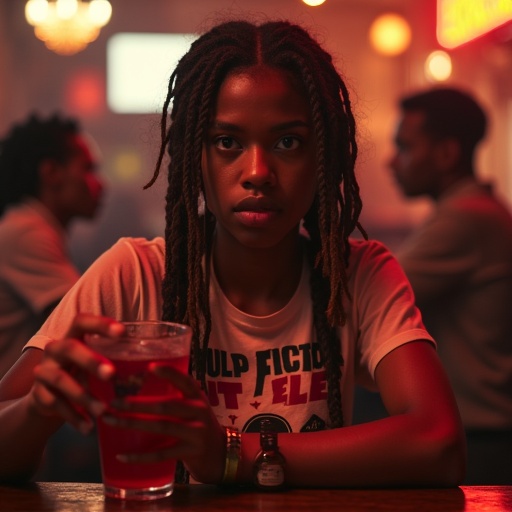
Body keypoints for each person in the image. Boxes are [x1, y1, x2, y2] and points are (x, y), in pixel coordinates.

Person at [0, 20, 465, 488]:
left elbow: (439, 441)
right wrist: (38, 409)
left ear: (322, 158)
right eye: (228, 142)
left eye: (288, 142)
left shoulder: (360, 273)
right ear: (193, 157)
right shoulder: (136, 272)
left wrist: (228, 454)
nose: (258, 172)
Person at [389, 87, 512, 484]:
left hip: (481, 436)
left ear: (446, 153)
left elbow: (377, 295)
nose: (393, 161)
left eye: (405, 147)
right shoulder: (478, 211)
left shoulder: (464, 218)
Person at [0, 113, 104, 380]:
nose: (101, 184)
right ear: (51, 173)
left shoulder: (31, 225)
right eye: (88, 169)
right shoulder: (26, 231)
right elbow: (86, 326)